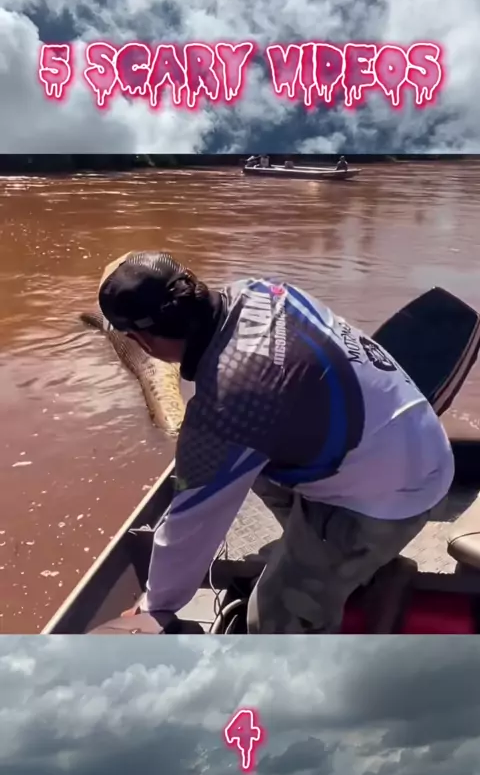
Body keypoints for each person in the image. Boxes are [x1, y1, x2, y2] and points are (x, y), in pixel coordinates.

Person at [98, 252, 454, 634]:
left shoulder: (227, 406)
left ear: (142, 341)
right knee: (240, 464)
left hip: (394, 498)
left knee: (271, 618)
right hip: (418, 443)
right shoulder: (258, 290)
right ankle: (339, 559)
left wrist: (155, 607)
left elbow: (191, 527)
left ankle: (369, 573)